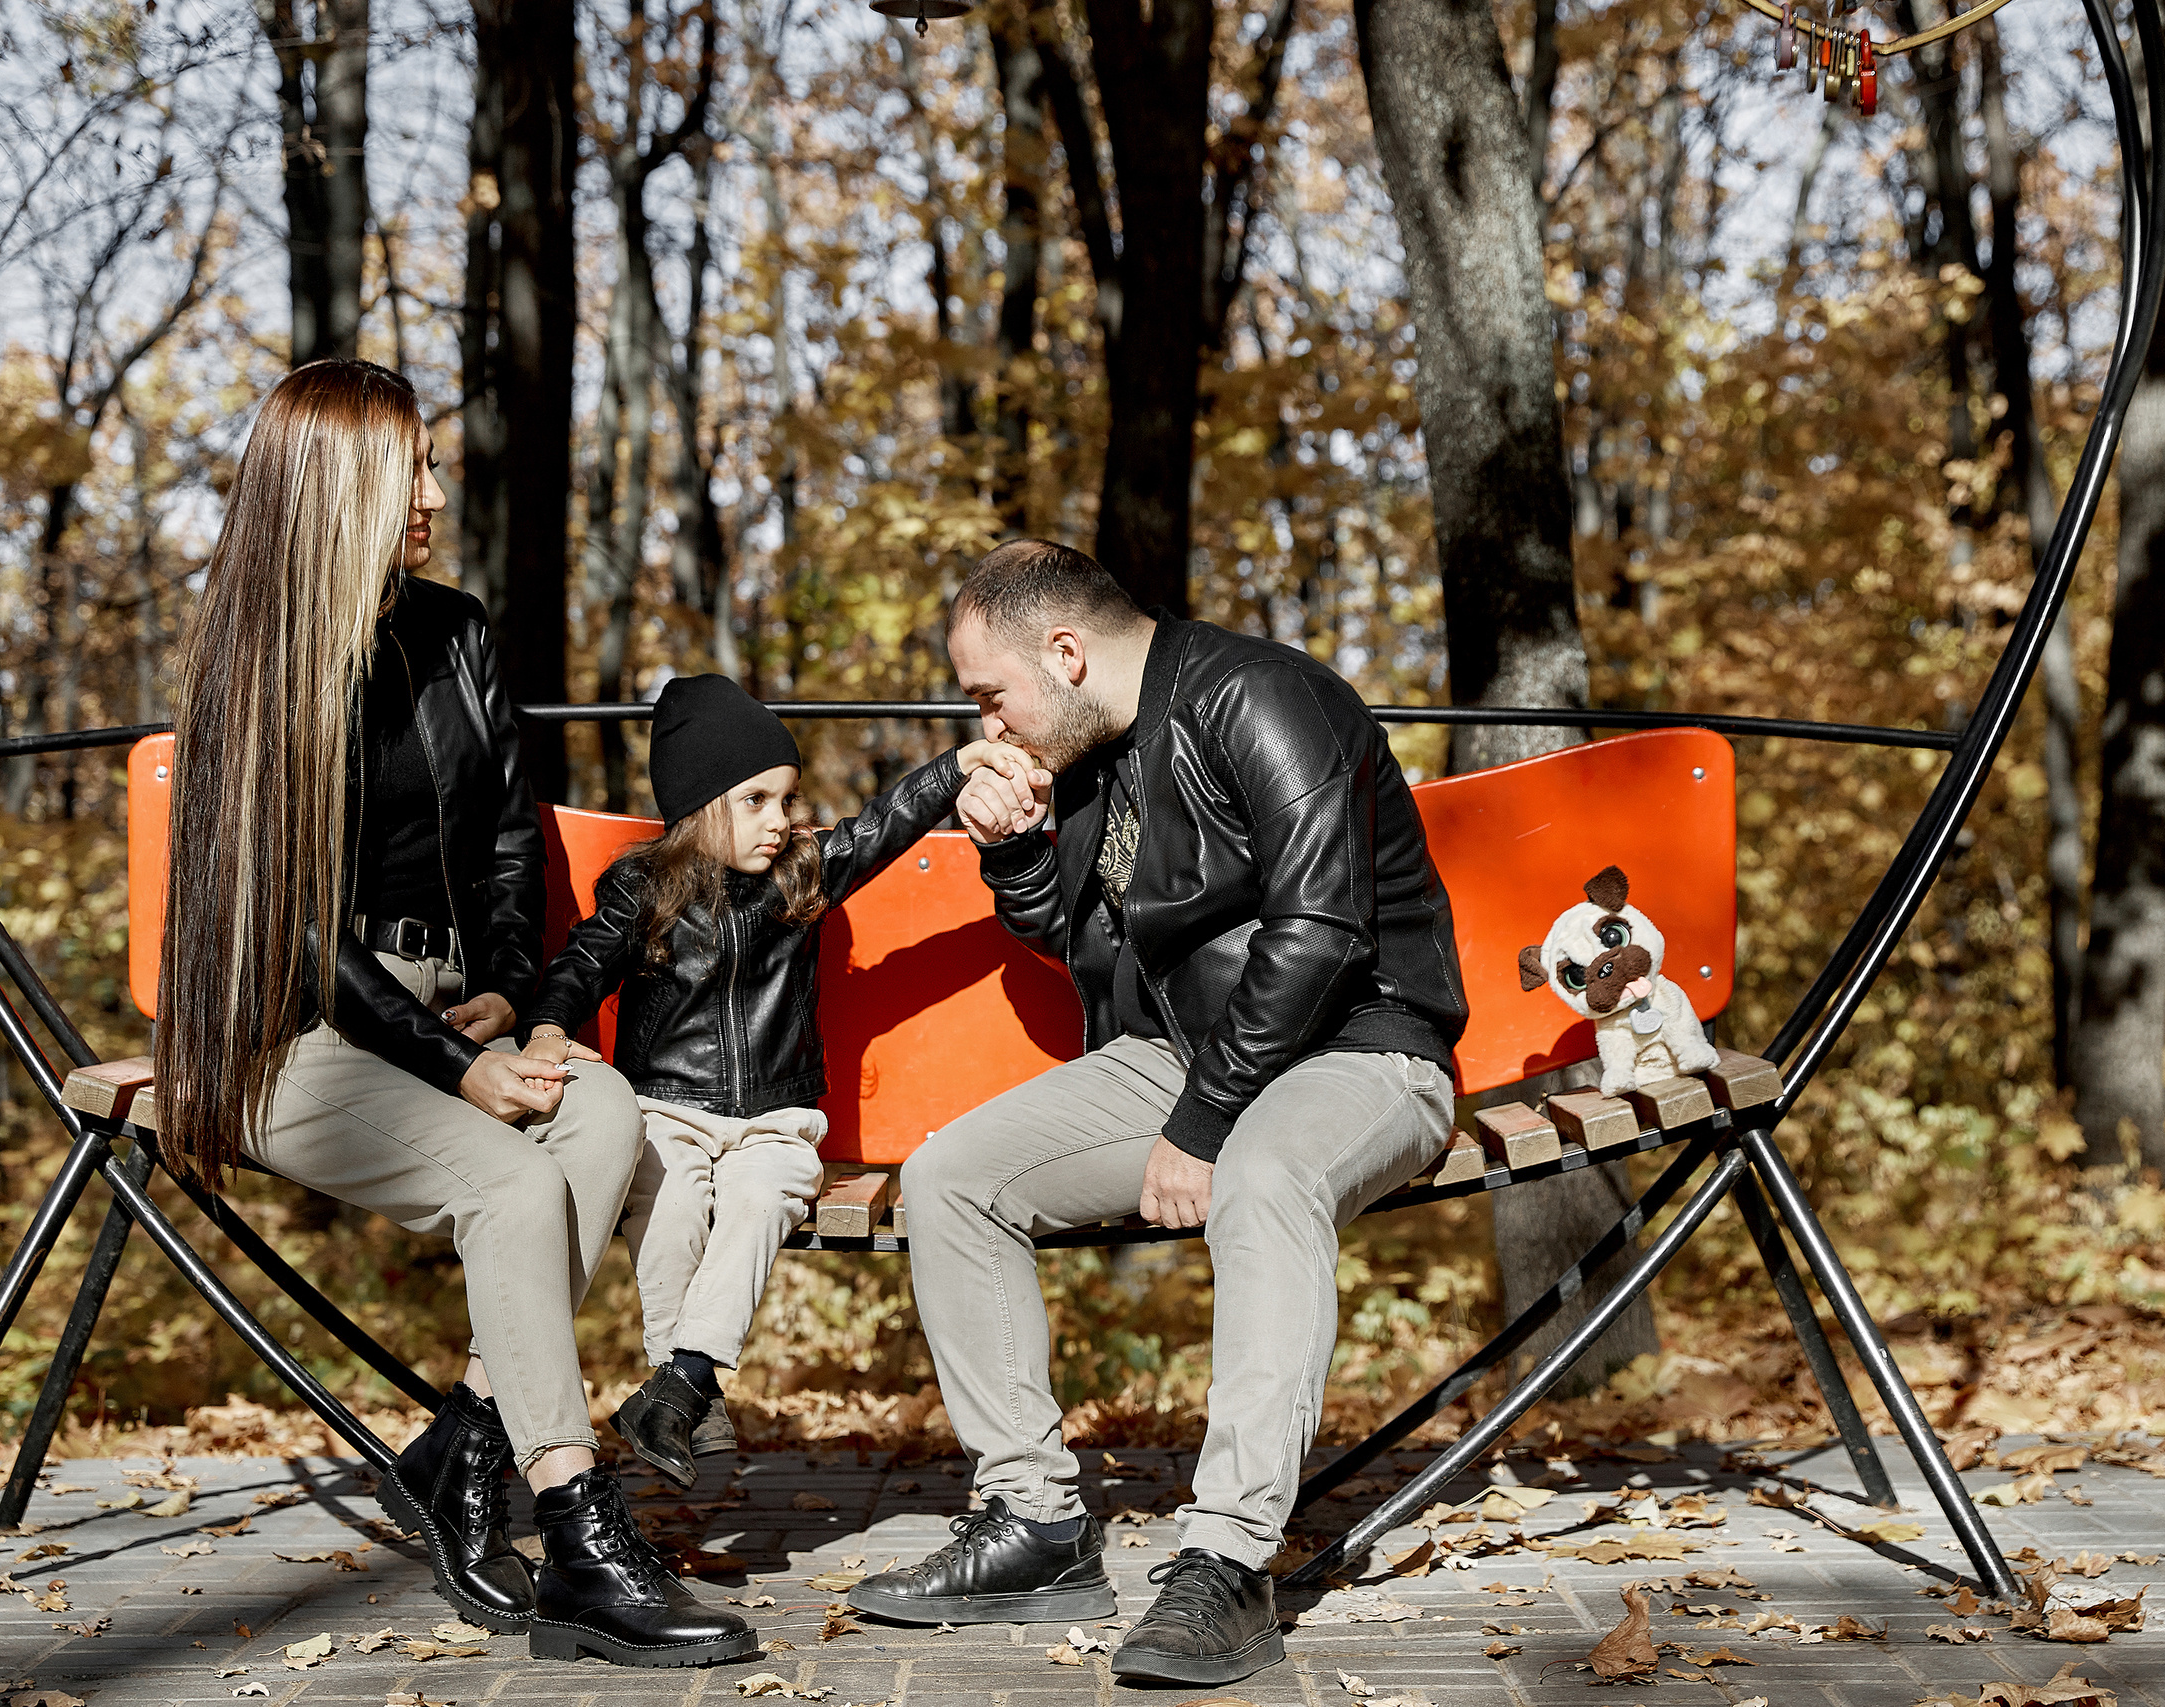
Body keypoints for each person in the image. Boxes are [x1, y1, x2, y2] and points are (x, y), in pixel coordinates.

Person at [155, 359, 756, 1670]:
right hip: (289, 1034)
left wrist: (510, 998)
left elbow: (503, 838)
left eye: (430, 465)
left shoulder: (455, 628)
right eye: (410, 469)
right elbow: (296, 931)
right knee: (509, 1182)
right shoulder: (257, 667)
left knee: (604, 1115)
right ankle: (578, 1532)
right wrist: (451, 1064)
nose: (433, 492)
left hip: (444, 1010)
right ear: (336, 490)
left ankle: (460, 1450)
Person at [845, 540, 1469, 1686]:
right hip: (1186, 1056)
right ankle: (1033, 1524)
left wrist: (1202, 1125)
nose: (985, 725)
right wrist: (1014, 852)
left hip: (1361, 1045)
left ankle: (1228, 1562)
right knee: (951, 1179)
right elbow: (1079, 940)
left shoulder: (1264, 696)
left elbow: (1323, 931)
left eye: (990, 694)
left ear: (1066, 651)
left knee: (1264, 1177)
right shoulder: (1092, 751)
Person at [521, 675, 1046, 1489]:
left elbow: (883, 825)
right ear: (700, 806)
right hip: (667, 1108)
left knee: (766, 1196)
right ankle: (687, 1391)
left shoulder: (800, 874)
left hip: (776, 1117)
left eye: (789, 799)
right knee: (667, 1204)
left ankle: (680, 1386)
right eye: (757, 800)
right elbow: (581, 963)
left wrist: (958, 766)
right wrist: (550, 1026)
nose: (781, 820)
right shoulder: (644, 887)